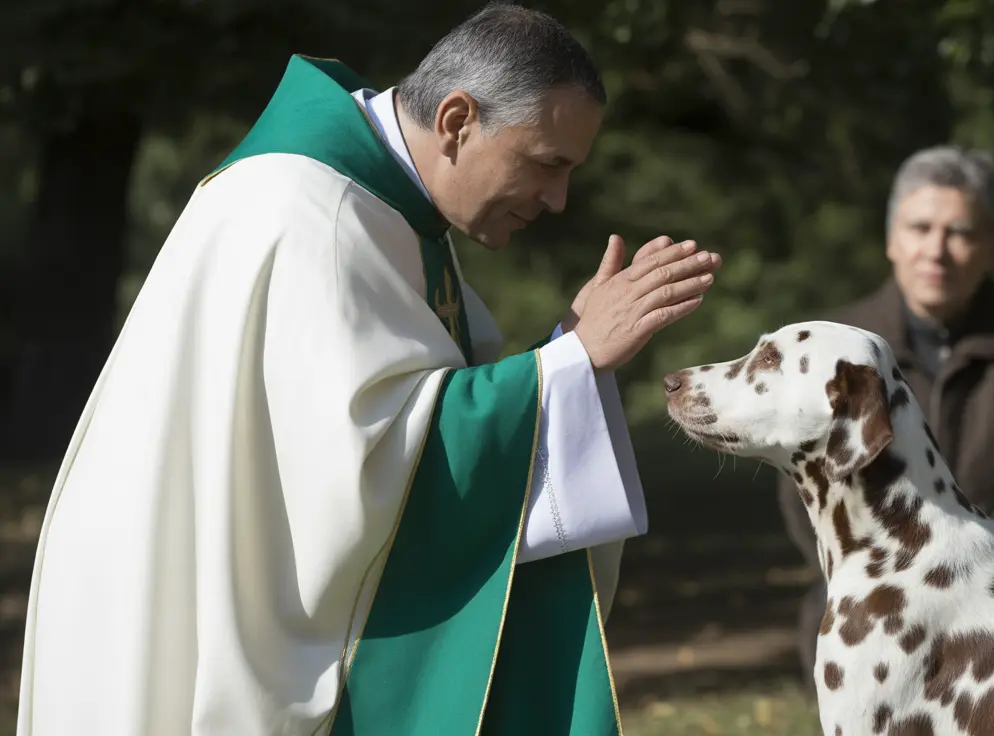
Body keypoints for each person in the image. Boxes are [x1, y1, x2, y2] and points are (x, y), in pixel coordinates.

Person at [17, 5, 721, 735]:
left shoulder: (388, 211)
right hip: (175, 608)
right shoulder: (303, 216)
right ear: (455, 121)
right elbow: (355, 471)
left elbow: (416, 412)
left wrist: (566, 356)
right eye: (547, 162)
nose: (557, 199)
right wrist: (567, 366)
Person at [777, 144, 994, 683]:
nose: (937, 250)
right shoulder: (833, 348)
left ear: (993, 245)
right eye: (920, 227)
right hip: (881, 592)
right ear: (891, 239)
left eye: (961, 232)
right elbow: (808, 484)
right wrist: (911, 579)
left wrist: (963, 571)